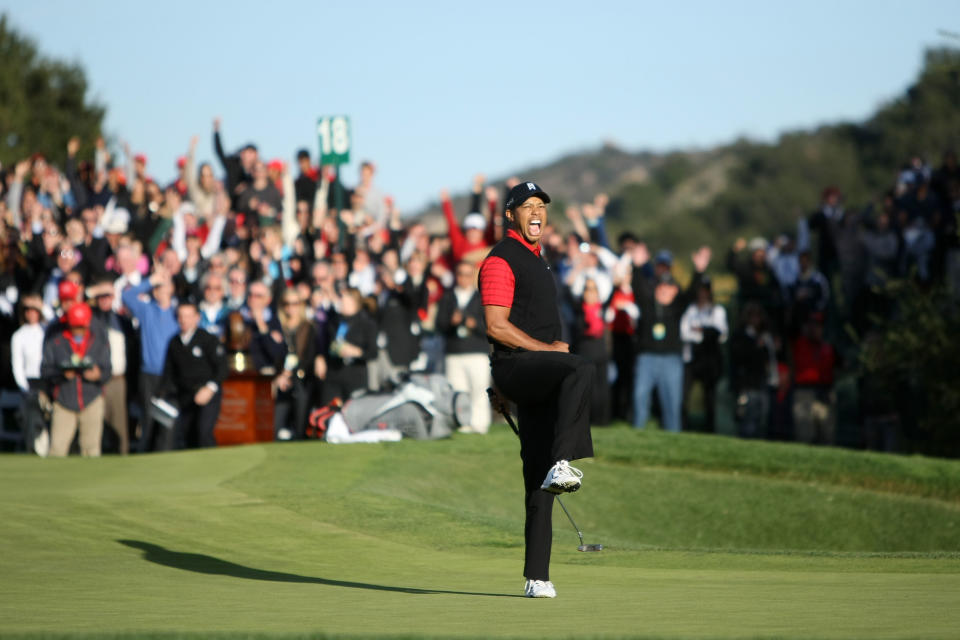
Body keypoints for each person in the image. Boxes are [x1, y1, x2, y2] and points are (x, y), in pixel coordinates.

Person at [478, 181, 594, 599]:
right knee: (580, 368)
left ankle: (537, 577)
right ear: (510, 215)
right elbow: (496, 326)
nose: (536, 212)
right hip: (520, 368)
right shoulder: (500, 260)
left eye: (541, 206)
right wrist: (546, 352)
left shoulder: (536, 259)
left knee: (538, 479)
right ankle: (563, 461)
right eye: (527, 206)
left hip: (535, 372)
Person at [630, 243, 712, 433]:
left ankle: (672, 437)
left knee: (672, 403)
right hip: (647, 358)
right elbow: (638, 287)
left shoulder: (678, 307)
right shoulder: (648, 305)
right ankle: (637, 435)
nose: (665, 291)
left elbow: (692, 292)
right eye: (662, 287)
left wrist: (699, 271)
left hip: (671, 360)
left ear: (675, 290)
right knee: (640, 398)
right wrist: (637, 266)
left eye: (670, 287)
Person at [40, 302, 112, 457]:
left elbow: (107, 370)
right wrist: (62, 375)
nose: (79, 330)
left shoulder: (98, 341)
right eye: (75, 326)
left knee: (91, 450)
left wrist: (98, 375)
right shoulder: (56, 340)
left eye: (82, 326)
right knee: (57, 450)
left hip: (91, 398)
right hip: (64, 400)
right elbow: (45, 370)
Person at [122, 268, 179, 452]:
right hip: (149, 374)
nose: (161, 291)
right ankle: (147, 455)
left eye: (165, 286)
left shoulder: (178, 314)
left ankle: (167, 454)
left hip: (170, 375)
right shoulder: (147, 310)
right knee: (148, 417)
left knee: (168, 418)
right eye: (158, 287)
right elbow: (127, 296)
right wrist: (151, 280)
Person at [158, 302, 228, 449]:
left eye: (188, 316)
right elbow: (169, 372)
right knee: (188, 436)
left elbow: (222, 368)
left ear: (197, 318)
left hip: (207, 394)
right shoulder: (174, 342)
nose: (184, 320)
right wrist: (163, 394)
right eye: (181, 316)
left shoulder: (207, 339)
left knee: (204, 432)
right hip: (185, 396)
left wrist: (209, 388)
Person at [435, 261, 490, 434]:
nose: (463, 278)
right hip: (455, 352)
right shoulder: (448, 297)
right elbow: (439, 325)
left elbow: (491, 327)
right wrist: (451, 323)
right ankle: (462, 423)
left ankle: (480, 423)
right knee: (458, 390)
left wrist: (474, 325)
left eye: (467, 274)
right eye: (460, 274)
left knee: (479, 390)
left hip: (477, 352)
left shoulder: (482, 298)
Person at [679, 278, 728, 432]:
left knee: (710, 397)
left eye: (705, 290)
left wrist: (700, 331)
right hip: (692, 357)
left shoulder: (717, 311)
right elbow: (684, 333)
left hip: (709, 358)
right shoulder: (691, 310)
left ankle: (710, 429)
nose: (702, 294)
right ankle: (684, 427)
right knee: (684, 395)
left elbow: (721, 334)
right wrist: (703, 332)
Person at [10, 294, 49, 456]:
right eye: (28, 311)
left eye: (35, 311)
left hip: (47, 380)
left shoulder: (46, 329)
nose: (31, 314)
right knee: (33, 420)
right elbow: (17, 365)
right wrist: (24, 388)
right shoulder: (19, 335)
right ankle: (33, 450)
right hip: (30, 383)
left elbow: (55, 317)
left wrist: (41, 304)